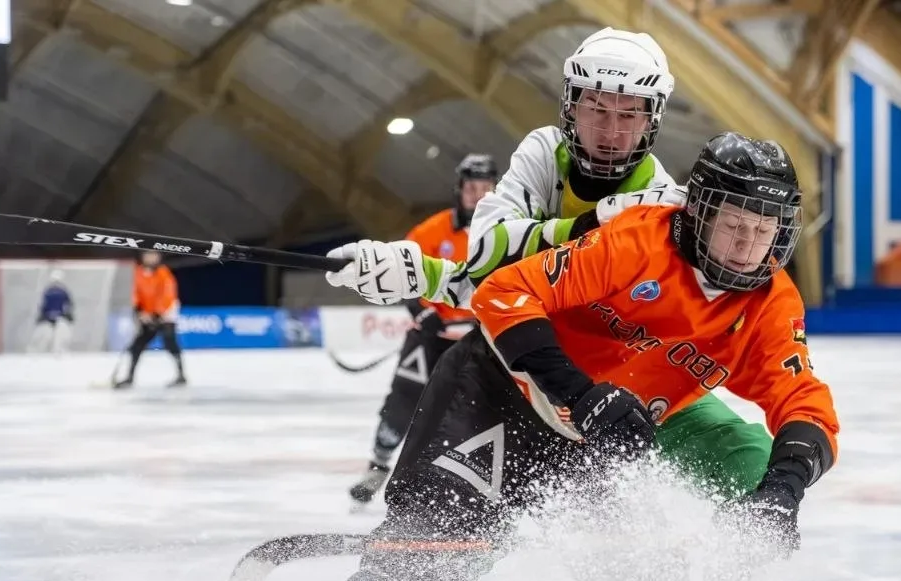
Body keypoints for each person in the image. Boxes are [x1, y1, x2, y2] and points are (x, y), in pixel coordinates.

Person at [234, 132, 840, 581]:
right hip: (495, 397)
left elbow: (803, 400)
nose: (747, 246)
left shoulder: (769, 303)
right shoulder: (639, 239)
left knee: (648, 574)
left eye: (763, 229)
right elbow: (504, 293)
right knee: (418, 565)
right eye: (733, 224)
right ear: (699, 211)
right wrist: (580, 393)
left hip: (599, 438)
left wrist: (780, 495)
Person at [331, 27, 774, 502]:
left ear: (652, 120)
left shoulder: (666, 205)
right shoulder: (546, 152)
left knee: (749, 464)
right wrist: (585, 226)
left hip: (611, 398)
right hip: (519, 376)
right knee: (432, 537)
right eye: (597, 109)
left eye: (629, 114)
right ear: (571, 106)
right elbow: (489, 260)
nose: (611, 131)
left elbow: (514, 282)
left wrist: (431, 276)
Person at [348, 154, 499, 507]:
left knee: (473, 411)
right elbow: (402, 274)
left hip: (479, 340)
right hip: (431, 336)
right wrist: (425, 313)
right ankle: (378, 465)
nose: (477, 196)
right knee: (402, 400)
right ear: (459, 190)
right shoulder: (431, 232)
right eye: (471, 188)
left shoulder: (507, 232)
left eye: (485, 188)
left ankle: (458, 482)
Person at [114, 251, 186, 388]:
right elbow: (136, 294)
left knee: (170, 342)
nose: (151, 258)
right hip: (148, 314)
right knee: (137, 345)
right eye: (148, 255)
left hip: (166, 314)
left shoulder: (164, 273)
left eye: (154, 255)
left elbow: (167, 295)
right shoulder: (139, 272)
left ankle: (181, 375)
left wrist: (157, 314)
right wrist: (140, 312)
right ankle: (129, 377)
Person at [28, 269, 74, 353]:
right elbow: (68, 304)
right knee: (57, 336)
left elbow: (43, 305)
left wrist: (42, 315)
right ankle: (56, 350)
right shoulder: (62, 291)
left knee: (48, 336)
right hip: (57, 317)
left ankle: (40, 350)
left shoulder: (48, 291)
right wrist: (69, 315)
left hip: (49, 317)